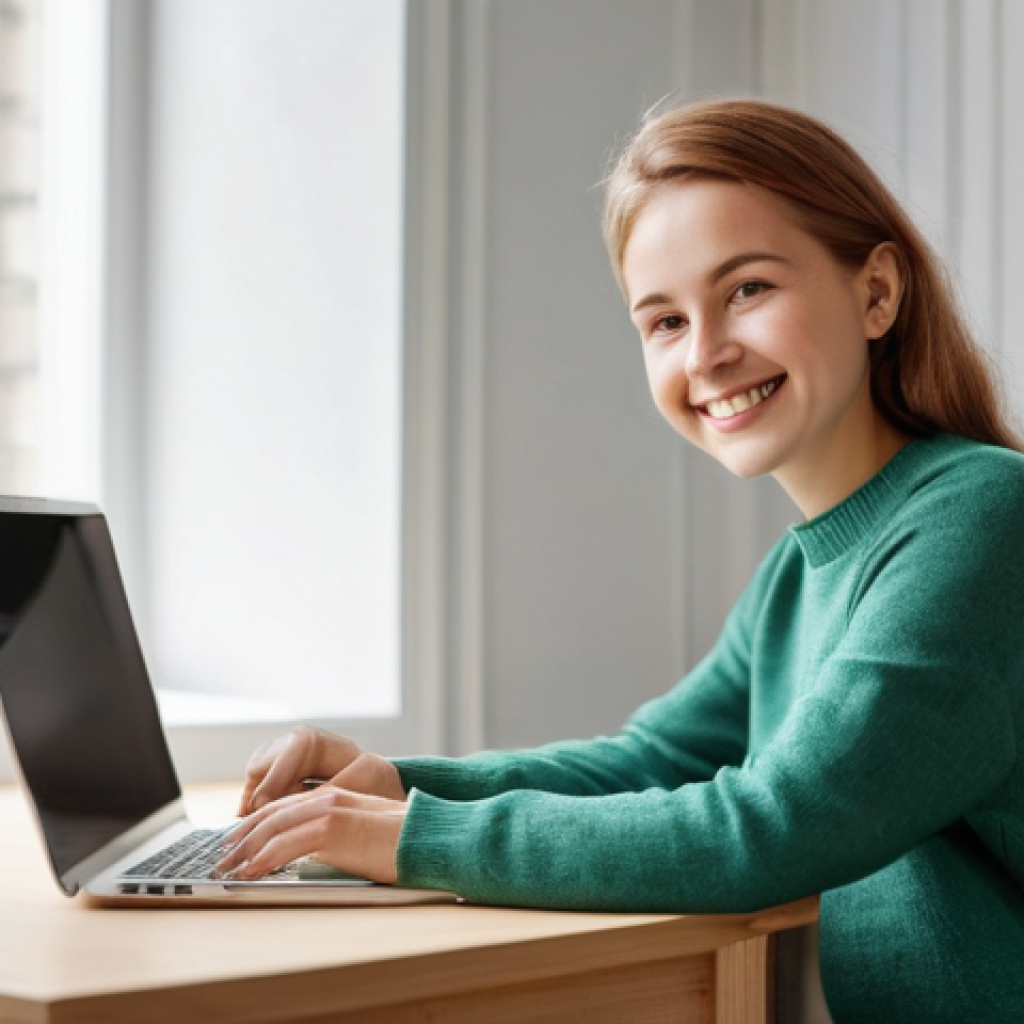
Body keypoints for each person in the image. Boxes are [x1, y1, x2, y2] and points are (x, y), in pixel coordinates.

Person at [215, 99, 1024, 1023]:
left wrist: (414, 838)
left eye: (748, 289)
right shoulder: (799, 577)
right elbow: (654, 761)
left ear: (877, 291)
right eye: (664, 322)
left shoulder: (983, 516)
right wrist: (398, 786)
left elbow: (773, 827)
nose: (709, 353)